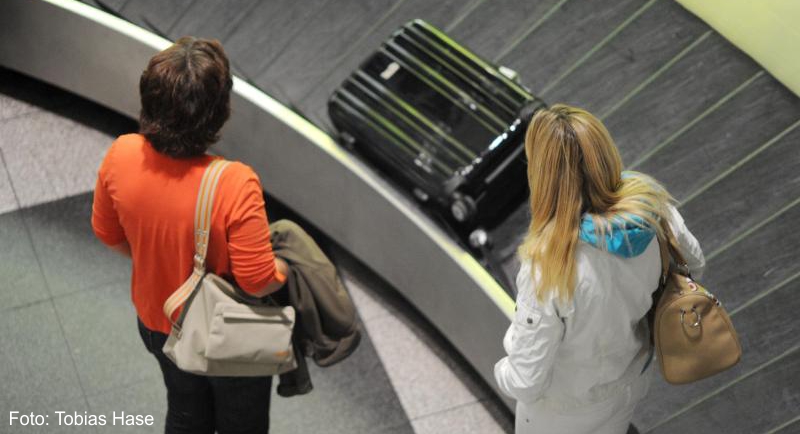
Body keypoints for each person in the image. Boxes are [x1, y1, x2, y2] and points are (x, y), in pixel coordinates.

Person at [91, 37, 289, 434]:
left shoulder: (122, 154)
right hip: (226, 333)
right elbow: (256, 280)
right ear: (219, 113)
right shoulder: (235, 183)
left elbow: (108, 235)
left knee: (185, 412)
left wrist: (163, 256)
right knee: (241, 424)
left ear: (148, 100)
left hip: (158, 321)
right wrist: (285, 267)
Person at [494, 104, 705, 434]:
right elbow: (694, 266)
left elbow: (525, 381)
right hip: (631, 382)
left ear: (543, 176)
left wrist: (503, 369)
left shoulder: (550, 265)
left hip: (563, 414)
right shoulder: (654, 211)